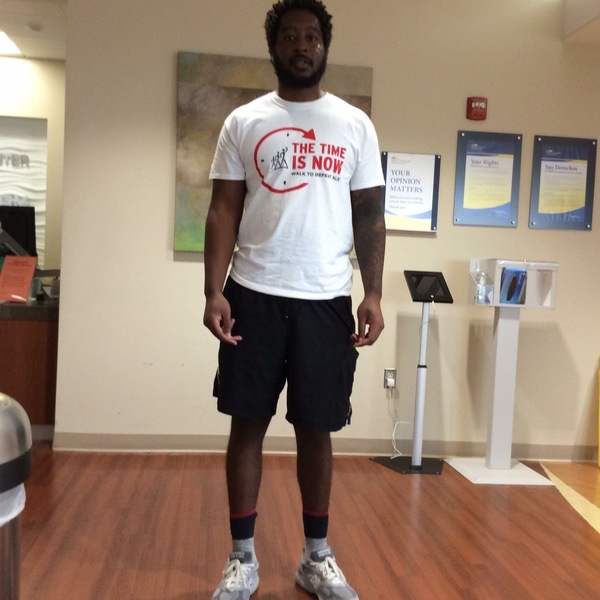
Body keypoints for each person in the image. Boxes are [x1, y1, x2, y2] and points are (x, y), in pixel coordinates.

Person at [203, 1, 385, 598]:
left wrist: (373, 292)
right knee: (247, 425)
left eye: (311, 36)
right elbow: (223, 209)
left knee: (316, 428)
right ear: (274, 47)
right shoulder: (244, 121)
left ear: (324, 46)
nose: (302, 46)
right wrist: (213, 290)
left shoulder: (354, 125)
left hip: (326, 300)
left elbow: (370, 215)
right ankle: (242, 558)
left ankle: (316, 557)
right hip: (252, 295)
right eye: (290, 37)